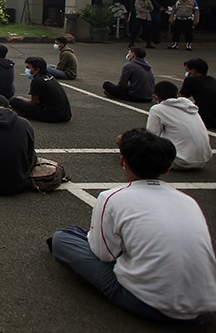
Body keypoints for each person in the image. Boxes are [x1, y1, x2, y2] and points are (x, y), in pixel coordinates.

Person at [49, 128, 216, 324]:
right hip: (205, 308)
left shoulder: (111, 197)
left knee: (63, 239)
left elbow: (103, 255)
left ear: (123, 162)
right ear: (166, 169)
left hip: (152, 305)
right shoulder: (187, 201)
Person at [146, 81, 211, 170]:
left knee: (134, 144)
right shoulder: (189, 105)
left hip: (180, 161)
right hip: (203, 159)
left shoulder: (157, 109)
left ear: (155, 96)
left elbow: (151, 137)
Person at [10, 56, 71, 123]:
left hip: (53, 116)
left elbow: (33, 102)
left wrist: (21, 98)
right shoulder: (49, 76)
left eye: (28, 68)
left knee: (14, 101)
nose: (27, 70)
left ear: (37, 69)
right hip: (65, 114)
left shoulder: (37, 81)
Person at [180, 58, 216, 130]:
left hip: (207, 119)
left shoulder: (190, 80)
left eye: (187, 70)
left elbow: (181, 98)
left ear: (193, 71)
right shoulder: (211, 79)